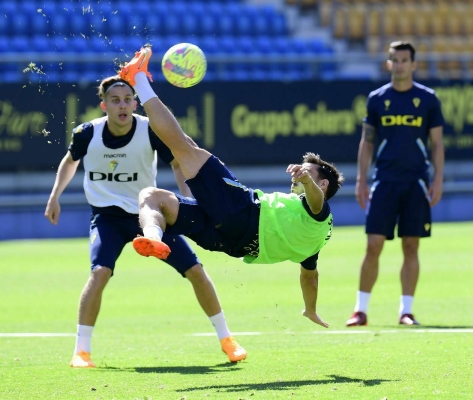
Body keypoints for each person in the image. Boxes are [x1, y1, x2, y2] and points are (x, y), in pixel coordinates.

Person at [118, 46, 344, 329]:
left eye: (308, 172)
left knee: (184, 147)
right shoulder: (314, 243)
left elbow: (317, 201)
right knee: (152, 197)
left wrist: (307, 180)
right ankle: (155, 238)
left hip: (243, 212)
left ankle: (136, 79)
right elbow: (310, 277)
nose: (299, 174)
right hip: (230, 243)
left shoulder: (318, 210)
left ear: (322, 183)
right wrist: (311, 309)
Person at [44, 75, 246, 368]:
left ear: (135, 103)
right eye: (115, 100)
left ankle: (227, 340)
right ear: (104, 105)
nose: (122, 105)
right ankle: (81, 351)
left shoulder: (149, 129)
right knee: (99, 273)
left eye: (127, 99)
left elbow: (178, 164)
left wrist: (190, 200)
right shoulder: (87, 133)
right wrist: (54, 197)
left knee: (196, 271)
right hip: (107, 217)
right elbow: (70, 161)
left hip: (148, 216)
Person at [346, 41, 445, 327]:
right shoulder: (377, 99)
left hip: (415, 182)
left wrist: (437, 178)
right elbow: (367, 141)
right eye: (395, 60)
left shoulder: (427, 99)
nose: (399, 64)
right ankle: (360, 310)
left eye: (404, 60)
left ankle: (406, 311)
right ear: (388, 64)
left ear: (413, 64)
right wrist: (361, 180)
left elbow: (437, 143)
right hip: (385, 181)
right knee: (373, 245)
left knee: (411, 245)